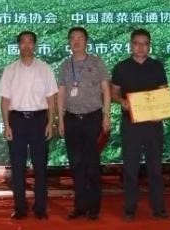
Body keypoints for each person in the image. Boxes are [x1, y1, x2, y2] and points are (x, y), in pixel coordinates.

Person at [111, 28, 170, 221]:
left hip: (153, 124)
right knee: (130, 168)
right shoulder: (121, 67)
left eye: (145, 44)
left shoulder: (157, 66)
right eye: (136, 43)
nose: (140, 47)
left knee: (155, 168)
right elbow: (113, 93)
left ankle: (159, 208)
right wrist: (122, 101)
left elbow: (163, 91)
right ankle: (129, 209)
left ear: (149, 46)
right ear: (131, 45)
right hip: (131, 125)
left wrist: (162, 112)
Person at [0, 31, 58, 220]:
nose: (26, 46)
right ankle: (20, 208)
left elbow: (51, 99)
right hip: (16, 121)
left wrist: (50, 122)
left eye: (30, 42)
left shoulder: (45, 68)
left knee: (40, 167)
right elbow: (5, 100)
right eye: (23, 42)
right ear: (18, 46)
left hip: (39, 120)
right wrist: (7, 125)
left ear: (35, 45)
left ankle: (40, 208)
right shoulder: (10, 70)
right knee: (17, 168)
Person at [57, 27, 111, 220]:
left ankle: (94, 207)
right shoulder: (65, 65)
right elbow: (61, 93)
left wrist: (106, 115)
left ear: (86, 41)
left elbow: (106, 90)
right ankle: (79, 206)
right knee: (76, 164)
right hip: (72, 119)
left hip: (92, 118)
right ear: (69, 42)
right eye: (73, 38)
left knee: (92, 164)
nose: (76, 41)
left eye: (80, 38)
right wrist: (60, 119)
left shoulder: (96, 62)